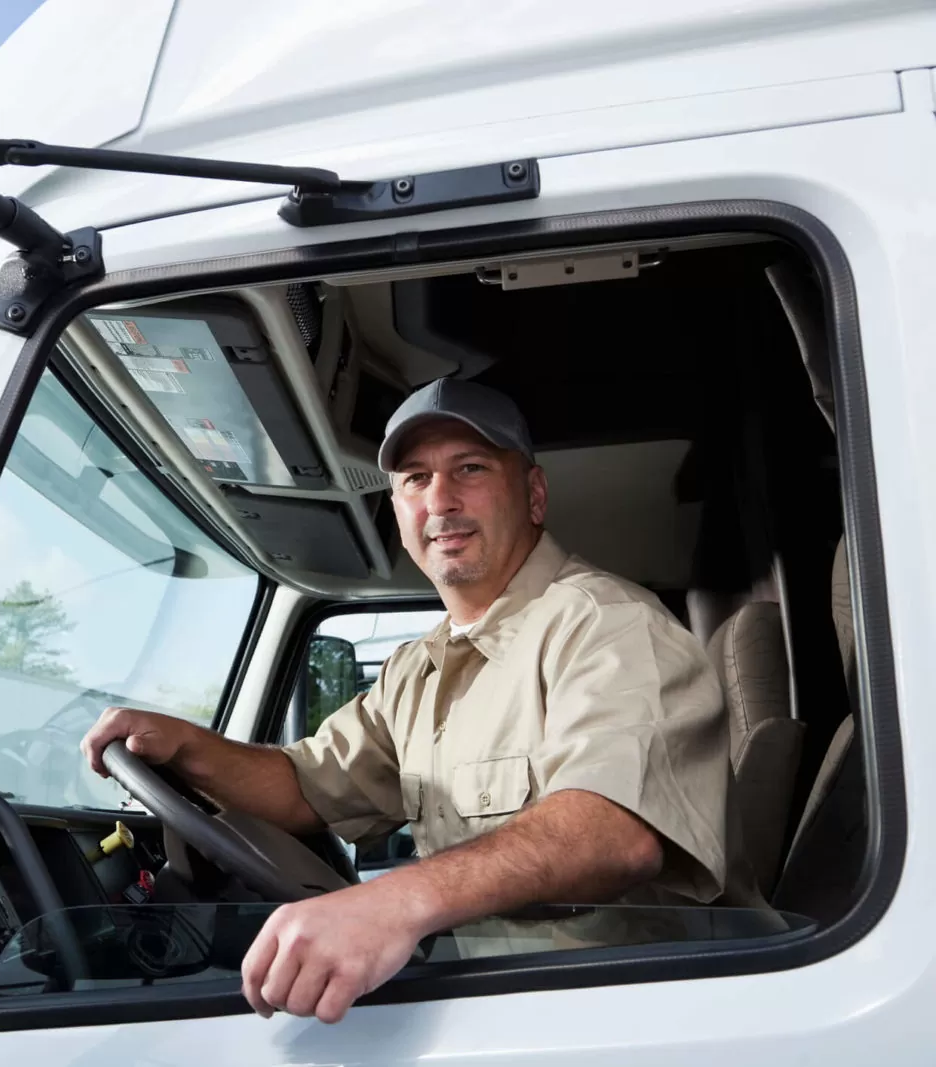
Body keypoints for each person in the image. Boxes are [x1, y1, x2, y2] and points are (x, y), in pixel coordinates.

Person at [81, 378, 739, 1024]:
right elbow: (306, 787)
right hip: (494, 1004)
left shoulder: (608, 625)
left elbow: (614, 833)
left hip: (627, 1019)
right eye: (415, 479)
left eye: (470, 468)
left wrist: (394, 903)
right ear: (398, 512)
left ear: (533, 494)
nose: (440, 500)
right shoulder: (416, 669)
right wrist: (187, 746)